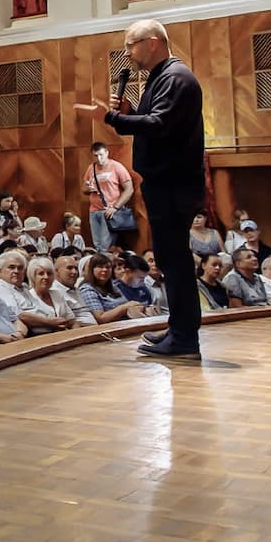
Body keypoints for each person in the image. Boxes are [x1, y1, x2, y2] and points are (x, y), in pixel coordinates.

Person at [76, 19, 206, 359]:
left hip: (173, 185)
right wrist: (131, 112)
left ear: (152, 42)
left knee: (175, 262)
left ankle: (184, 339)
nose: (127, 53)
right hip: (168, 183)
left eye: (131, 44)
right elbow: (153, 121)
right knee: (170, 260)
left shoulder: (175, 78)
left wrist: (112, 118)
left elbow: (159, 125)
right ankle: (179, 332)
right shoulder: (162, 78)